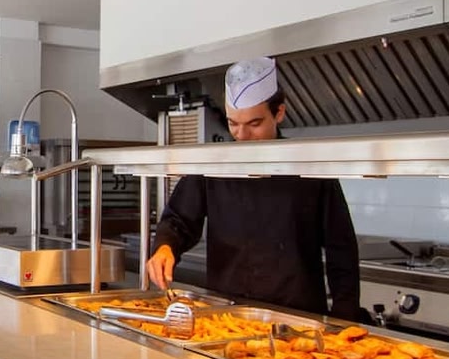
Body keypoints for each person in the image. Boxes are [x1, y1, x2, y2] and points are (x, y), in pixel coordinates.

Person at [146, 57, 362, 321]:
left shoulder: (309, 167)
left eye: (254, 124)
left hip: (297, 318)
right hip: (228, 314)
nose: (241, 135)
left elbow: (341, 249)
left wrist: (344, 315)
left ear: (279, 113)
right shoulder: (214, 165)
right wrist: (166, 247)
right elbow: (179, 220)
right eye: (233, 123)